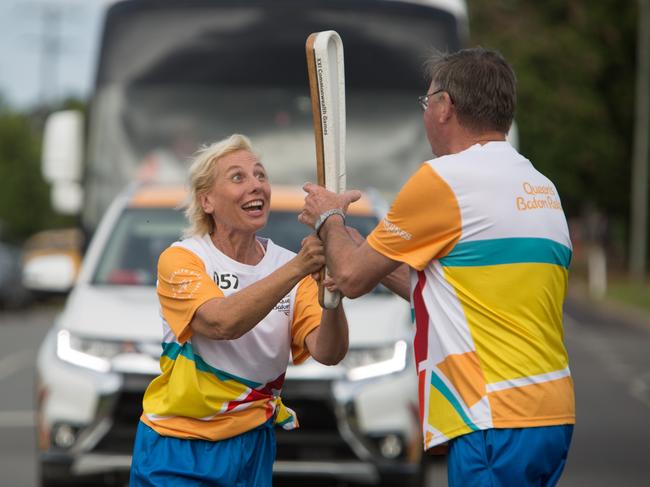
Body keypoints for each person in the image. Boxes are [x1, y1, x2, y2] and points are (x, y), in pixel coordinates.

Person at [299, 47, 574, 487]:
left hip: (493, 416)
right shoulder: (539, 185)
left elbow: (348, 278)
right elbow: (454, 294)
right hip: (550, 412)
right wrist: (359, 247)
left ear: (445, 107)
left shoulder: (444, 179)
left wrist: (328, 216)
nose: (426, 114)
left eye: (427, 103)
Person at [130, 134, 349, 486]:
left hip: (251, 444)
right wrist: (299, 269)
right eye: (238, 177)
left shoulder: (289, 264)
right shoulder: (184, 259)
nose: (256, 186)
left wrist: (333, 296)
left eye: (260, 175)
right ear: (207, 200)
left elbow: (329, 351)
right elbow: (221, 322)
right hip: (178, 443)